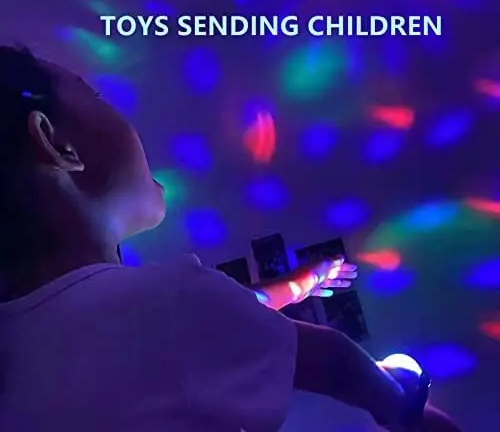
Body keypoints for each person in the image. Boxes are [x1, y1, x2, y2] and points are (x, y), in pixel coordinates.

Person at [0, 46, 461, 432]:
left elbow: (222, 319)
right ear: (58, 145)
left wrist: (301, 284)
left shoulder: (21, 346)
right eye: (96, 95)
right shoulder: (171, 302)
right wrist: (402, 404)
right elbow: (336, 361)